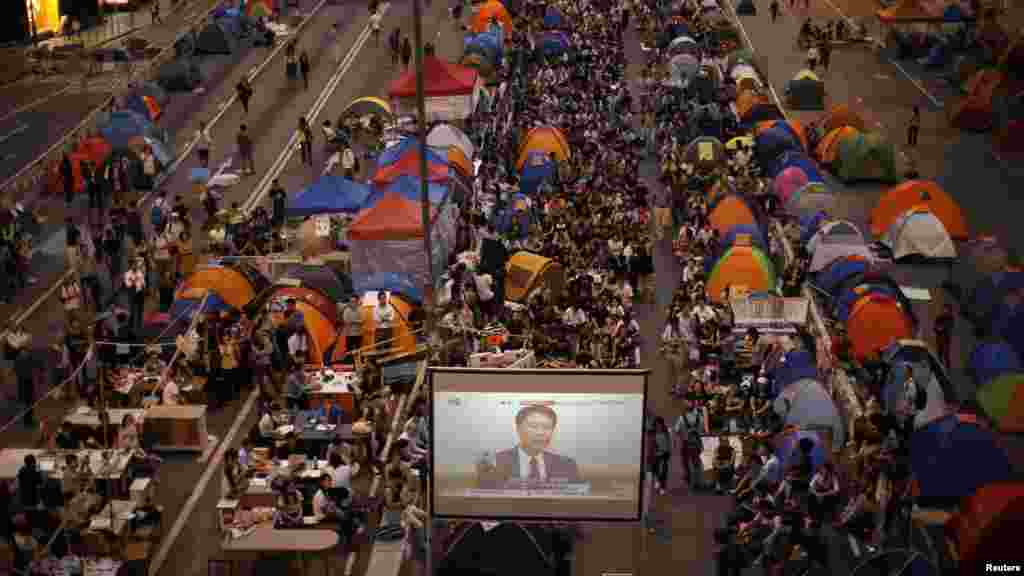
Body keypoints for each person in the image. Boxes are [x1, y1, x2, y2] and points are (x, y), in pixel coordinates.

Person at [485, 405, 581, 486]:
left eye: (547, 427)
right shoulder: (495, 463)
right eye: (533, 426)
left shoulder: (567, 465)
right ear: (518, 429)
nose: (540, 433)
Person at [934, 303, 953, 368]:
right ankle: (940, 366)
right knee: (939, 354)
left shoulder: (950, 318)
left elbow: (949, 327)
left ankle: (948, 367)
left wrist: (941, 328)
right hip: (939, 338)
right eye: (944, 309)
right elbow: (935, 328)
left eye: (946, 309)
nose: (944, 310)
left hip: (946, 339)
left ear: (949, 310)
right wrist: (938, 328)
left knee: (946, 355)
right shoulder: (939, 317)